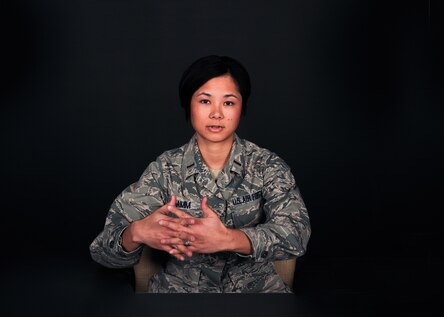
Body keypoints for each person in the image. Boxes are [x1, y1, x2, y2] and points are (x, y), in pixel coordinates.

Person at [90, 55, 310, 293]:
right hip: (180, 294)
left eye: (228, 103)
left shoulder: (266, 165)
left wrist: (229, 239)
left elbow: (296, 235)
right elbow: (103, 253)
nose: (216, 113)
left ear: (242, 107)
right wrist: (136, 233)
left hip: (255, 291)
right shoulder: (165, 169)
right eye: (205, 101)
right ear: (189, 105)